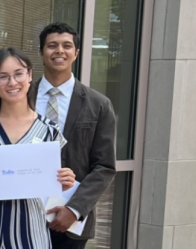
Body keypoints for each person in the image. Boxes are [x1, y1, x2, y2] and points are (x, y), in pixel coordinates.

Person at [0, 48, 76, 249]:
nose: (12, 82)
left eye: (18, 74)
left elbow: (50, 182)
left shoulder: (49, 131)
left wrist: (65, 180)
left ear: (29, 76)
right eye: (3, 76)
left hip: (30, 230)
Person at [32, 23, 116, 249]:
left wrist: (75, 209)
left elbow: (104, 166)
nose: (59, 51)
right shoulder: (21, 96)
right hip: (22, 213)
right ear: (41, 52)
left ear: (76, 53)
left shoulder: (98, 104)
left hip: (69, 221)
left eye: (66, 46)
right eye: (52, 46)